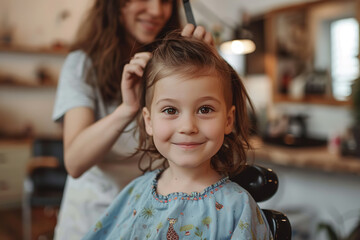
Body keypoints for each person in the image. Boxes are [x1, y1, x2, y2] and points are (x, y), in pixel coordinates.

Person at [82, 32, 273, 240]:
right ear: (149, 121)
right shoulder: (137, 192)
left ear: (228, 120)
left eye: (205, 109)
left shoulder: (238, 206)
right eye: (170, 110)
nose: (188, 127)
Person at [52, 0, 214, 239]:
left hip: (154, 221)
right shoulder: (81, 65)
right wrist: (128, 109)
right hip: (92, 222)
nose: (157, 11)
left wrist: (211, 67)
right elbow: (75, 162)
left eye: (166, 1)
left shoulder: (172, 67)